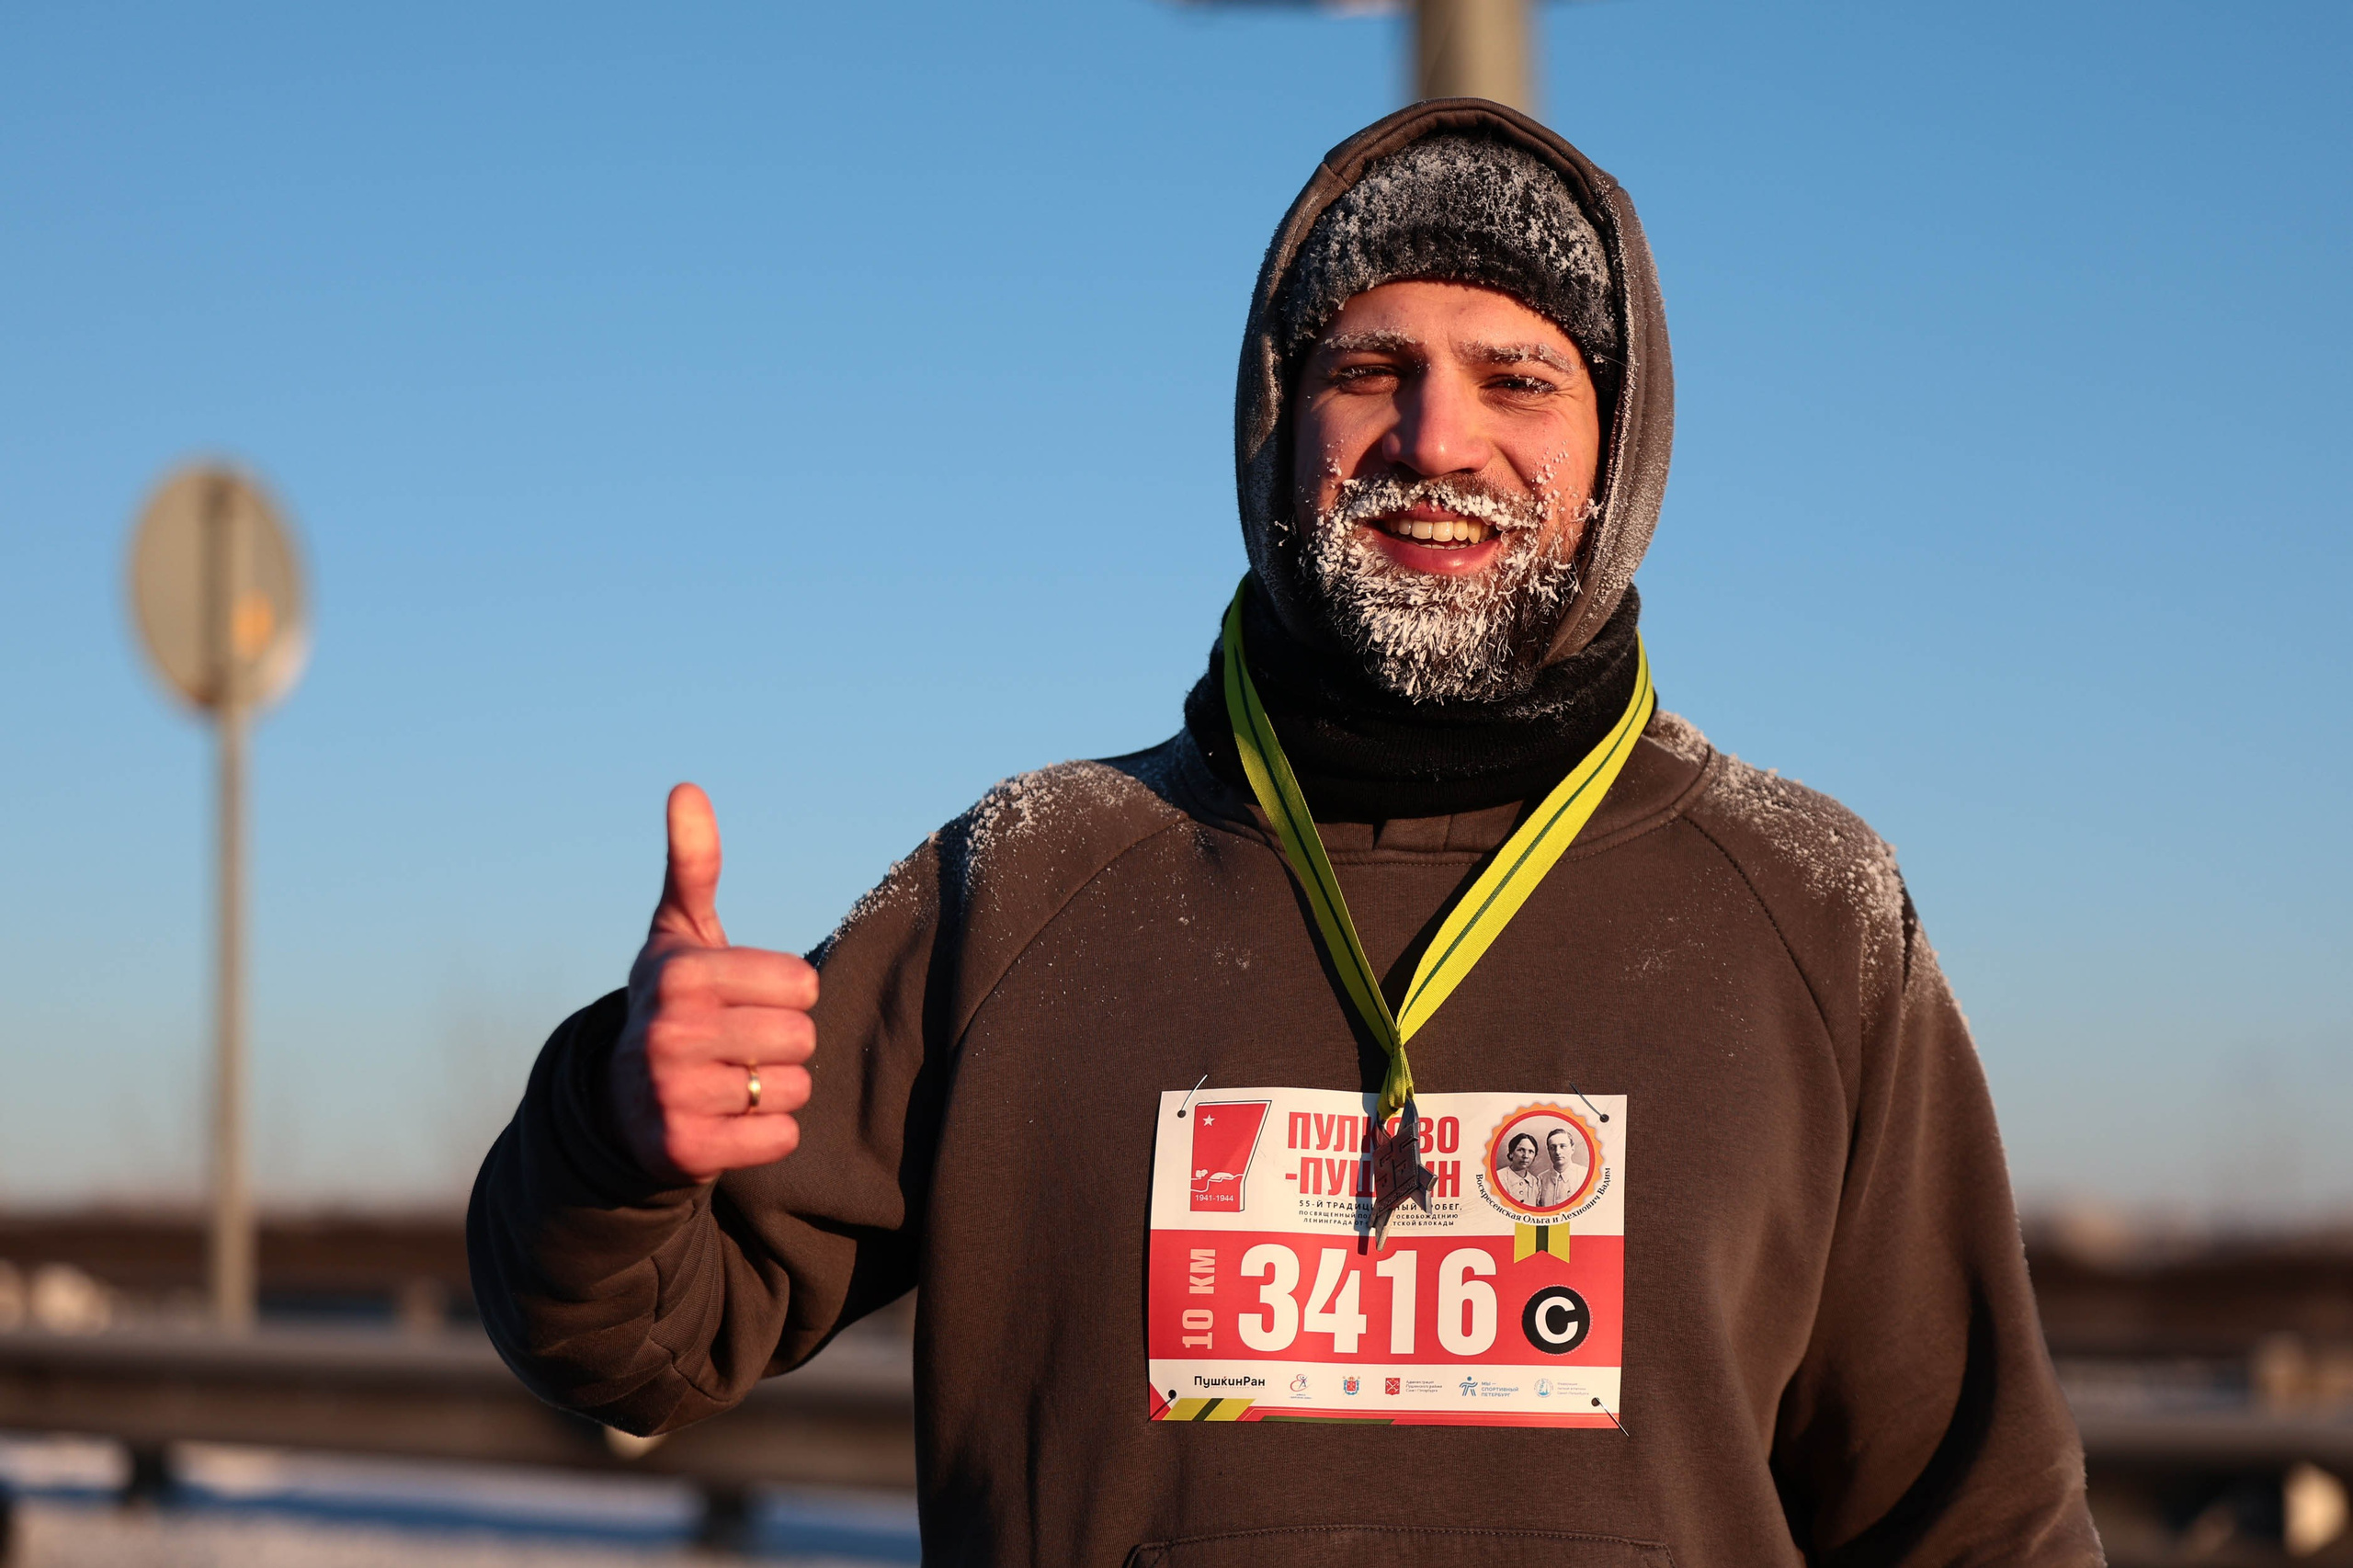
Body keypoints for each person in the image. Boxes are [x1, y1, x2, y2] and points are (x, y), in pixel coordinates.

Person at [471, 98, 2099, 1566]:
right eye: (1369, 369)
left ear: (1621, 453)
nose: (1437, 439)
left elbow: (1974, 1522)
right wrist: (615, 1130)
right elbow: (634, 1344)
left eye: (1517, 377)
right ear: (1277, 428)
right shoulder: (1025, 882)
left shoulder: (1810, 912)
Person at [1531, 1126, 1584, 1210]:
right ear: (1548, 1151)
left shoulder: (1584, 1175)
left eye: (1563, 1146)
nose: (1557, 1152)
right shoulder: (1540, 1180)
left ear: (1572, 1149)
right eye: (1552, 1148)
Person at [1497, 1131, 1541, 1207]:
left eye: (1531, 1151)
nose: (1526, 1156)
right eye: (1521, 1150)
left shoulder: (1536, 1182)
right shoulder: (1499, 1177)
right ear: (1511, 1153)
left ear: (1534, 1157)